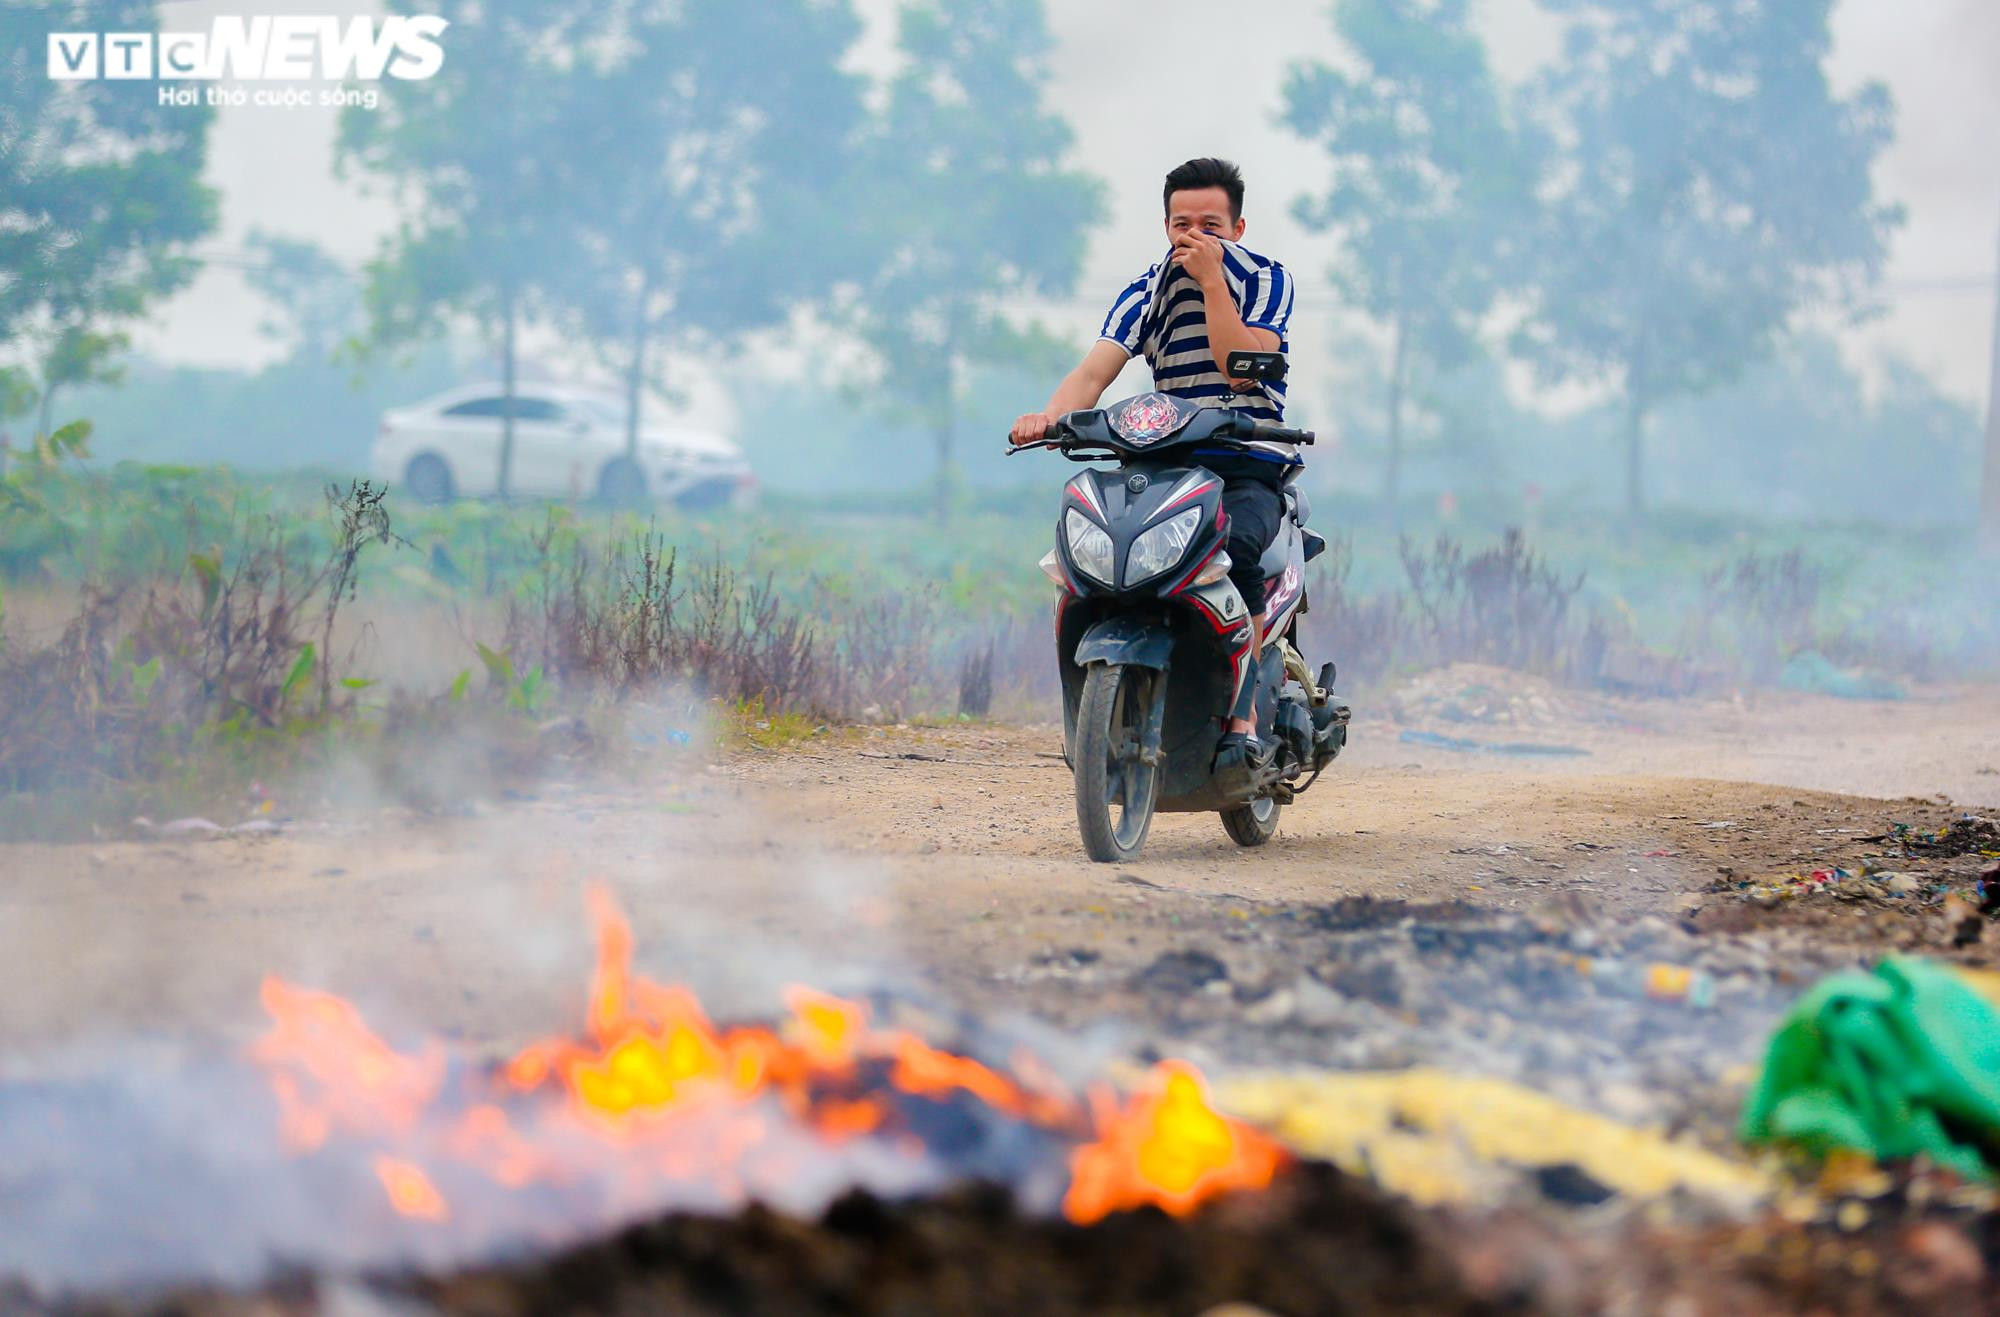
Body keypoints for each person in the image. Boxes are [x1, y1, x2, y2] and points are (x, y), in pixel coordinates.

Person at [1009, 156, 1298, 778]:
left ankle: (1243, 720)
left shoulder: (1268, 280)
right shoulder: (1146, 291)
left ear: (1239, 229)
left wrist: (1214, 283)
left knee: (1237, 552)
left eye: (1211, 225)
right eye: (1181, 223)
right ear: (1164, 225)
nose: (1194, 237)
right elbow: (1094, 373)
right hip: (1170, 463)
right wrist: (1049, 418)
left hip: (1246, 463)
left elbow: (1237, 362)